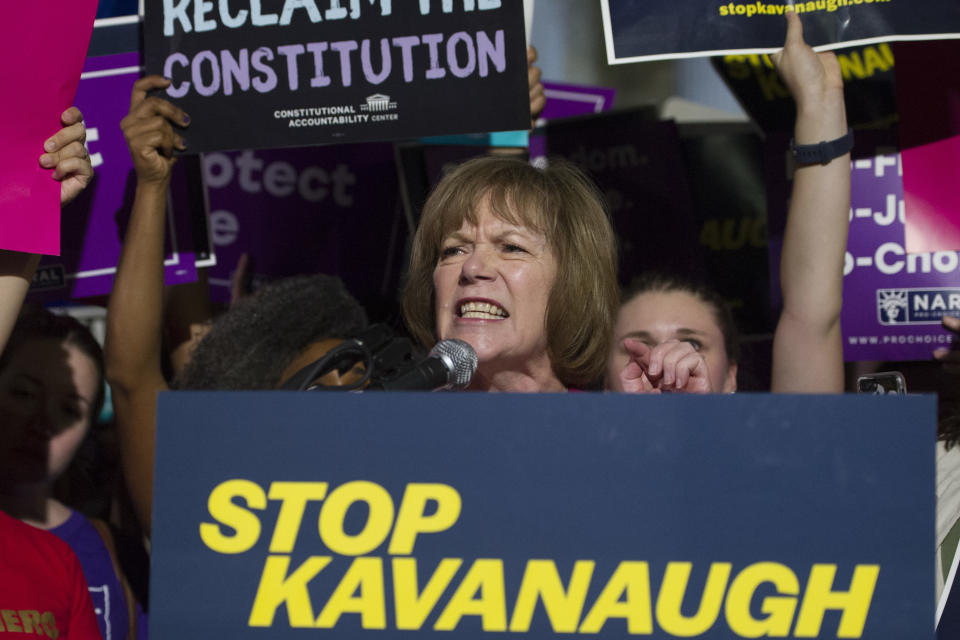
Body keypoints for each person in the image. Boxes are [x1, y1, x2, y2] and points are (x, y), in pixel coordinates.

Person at [605, 11, 850, 394]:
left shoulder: (784, 451)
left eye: (692, 344)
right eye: (638, 346)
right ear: (601, 378)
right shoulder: (565, 453)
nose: (666, 359)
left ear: (732, 377)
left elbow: (811, 312)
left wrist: (820, 103)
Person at [0, 108, 102, 640]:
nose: (41, 422)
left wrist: (31, 200)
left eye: (70, 408)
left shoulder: (57, 566)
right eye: (22, 392)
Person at [402, 155, 619, 392]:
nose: (472, 268)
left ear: (573, 282)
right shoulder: (398, 423)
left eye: (511, 247)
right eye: (454, 250)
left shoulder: (611, 425)